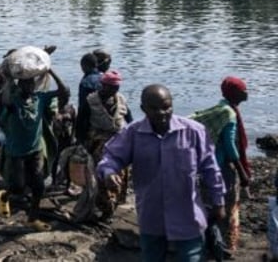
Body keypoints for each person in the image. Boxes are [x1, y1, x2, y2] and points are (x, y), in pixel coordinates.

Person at [97, 84, 225, 262]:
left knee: (191, 258)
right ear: (143, 109)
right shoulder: (133, 133)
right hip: (151, 215)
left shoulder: (193, 132)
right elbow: (111, 157)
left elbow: (211, 169)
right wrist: (109, 172)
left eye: (166, 107)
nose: (162, 113)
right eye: (155, 108)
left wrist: (218, 202)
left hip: (187, 215)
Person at [0, 69, 69, 229]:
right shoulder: (14, 102)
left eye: (31, 83)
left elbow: (63, 90)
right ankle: (6, 194)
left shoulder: (40, 98)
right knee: (18, 187)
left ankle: (32, 218)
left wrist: (50, 70)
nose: (29, 86)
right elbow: (4, 100)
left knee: (38, 186)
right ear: (20, 85)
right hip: (16, 151)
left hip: (35, 149)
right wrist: (9, 80)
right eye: (25, 83)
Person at [191, 76, 251, 254]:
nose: (246, 93)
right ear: (234, 92)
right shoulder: (229, 113)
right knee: (225, 207)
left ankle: (210, 243)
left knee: (211, 204)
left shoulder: (220, 108)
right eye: (243, 90)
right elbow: (230, 146)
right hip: (222, 167)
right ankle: (220, 246)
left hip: (209, 165)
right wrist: (242, 173)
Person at [79, 70, 132, 220]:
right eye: (110, 87)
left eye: (116, 88)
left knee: (121, 173)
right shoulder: (90, 102)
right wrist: (82, 143)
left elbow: (130, 121)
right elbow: (81, 123)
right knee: (103, 175)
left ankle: (114, 203)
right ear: (102, 85)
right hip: (98, 141)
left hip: (119, 141)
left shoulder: (120, 100)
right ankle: (105, 206)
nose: (113, 91)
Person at [75, 52, 102, 146]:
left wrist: (78, 132)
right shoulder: (105, 78)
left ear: (84, 66)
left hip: (90, 124)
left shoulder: (85, 82)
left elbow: (83, 107)